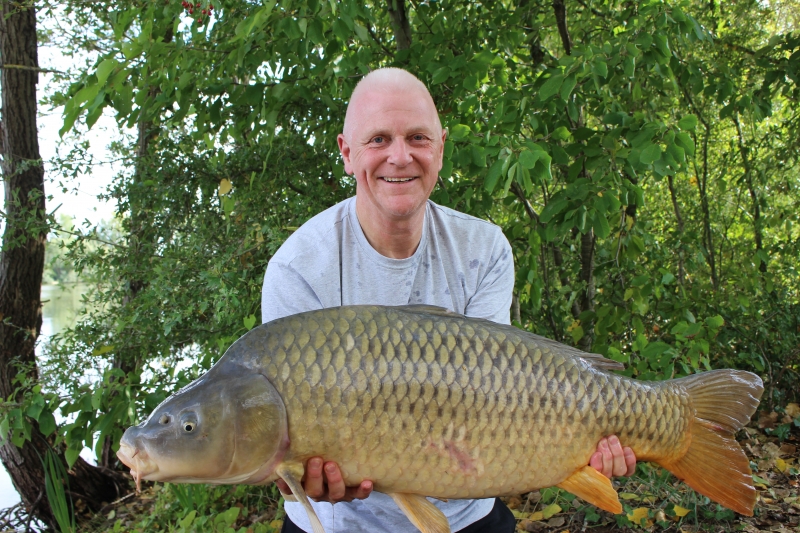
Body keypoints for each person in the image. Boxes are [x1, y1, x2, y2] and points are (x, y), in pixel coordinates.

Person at [261, 67, 636, 533]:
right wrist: (287, 472)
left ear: (440, 149)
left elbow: (498, 399)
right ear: (346, 152)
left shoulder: (484, 249)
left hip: (466, 512)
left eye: (417, 138)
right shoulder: (298, 267)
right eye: (378, 139)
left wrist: (583, 444)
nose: (400, 157)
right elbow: (278, 449)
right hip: (338, 525)